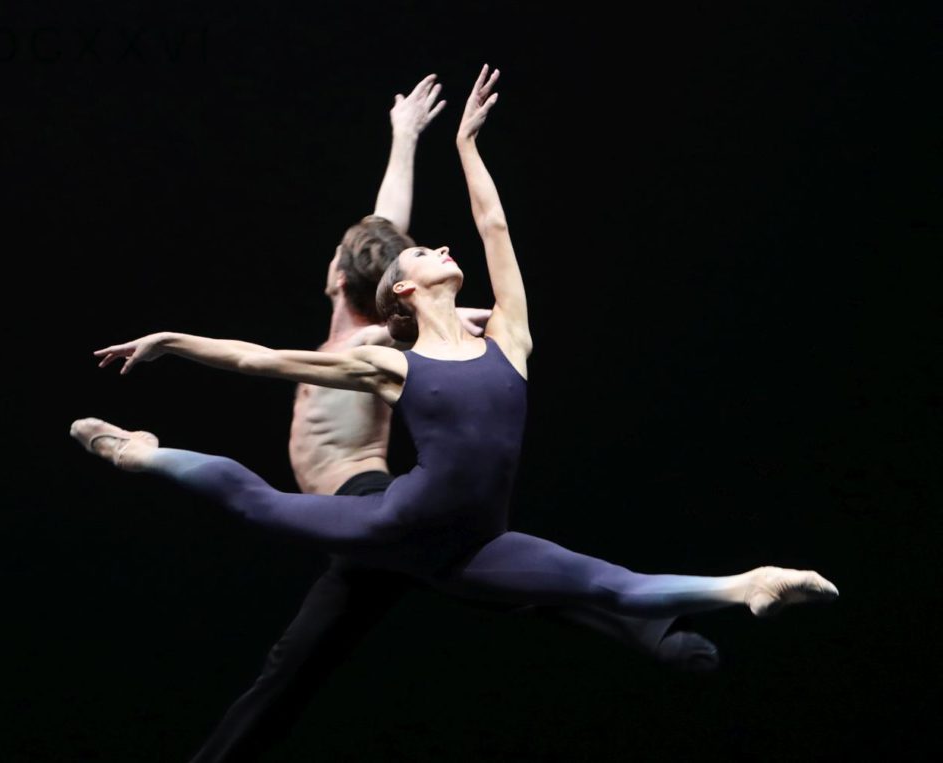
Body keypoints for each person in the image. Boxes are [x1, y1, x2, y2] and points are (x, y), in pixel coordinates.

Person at [72, 64, 836, 677]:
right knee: (250, 500)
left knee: (610, 582)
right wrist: (170, 337)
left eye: (433, 245)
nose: (436, 246)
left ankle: (746, 585)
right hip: (391, 517)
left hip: (468, 535)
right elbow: (257, 355)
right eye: (418, 252)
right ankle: (140, 451)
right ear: (396, 287)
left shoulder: (508, 334)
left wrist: (465, 146)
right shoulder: (385, 359)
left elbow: (491, 228)